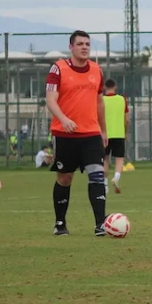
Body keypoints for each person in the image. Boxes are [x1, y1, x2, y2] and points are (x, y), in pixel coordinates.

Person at [45, 30, 109, 236]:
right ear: (71, 47)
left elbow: (99, 103)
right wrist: (64, 120)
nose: (84, 47)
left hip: (91, 134)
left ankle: (100, 224)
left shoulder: (97, 70)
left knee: (97, 175)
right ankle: (60, 223)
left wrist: (103, 130)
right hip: (64, 135)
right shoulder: (58, 68)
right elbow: (50, 100)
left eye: (87, 44)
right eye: (80, 44)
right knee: (65, 178)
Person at [102, 78, 128, 192]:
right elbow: (127, 119)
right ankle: (116, 177)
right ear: (115, 87)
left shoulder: (101, 100)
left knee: (105, 160)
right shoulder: (122, 99)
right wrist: (126, 132)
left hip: (105, 135)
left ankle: (105, 185)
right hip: (119, 133)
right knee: (119, 159)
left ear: (104, 87)